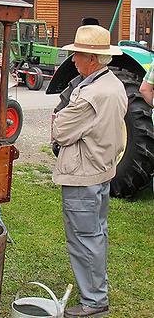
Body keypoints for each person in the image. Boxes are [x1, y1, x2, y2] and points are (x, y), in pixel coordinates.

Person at [52, 25, 128, 318]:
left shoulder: (90, 95)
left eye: (77, 56)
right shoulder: (115, 85)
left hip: (83, 175)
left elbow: (60, 130)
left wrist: (58, 120)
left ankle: (94, 302)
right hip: (102, 171)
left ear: (92, 60)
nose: (73, 61)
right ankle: (97, 291)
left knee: (84, 238)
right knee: (96, 235)